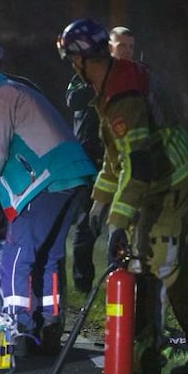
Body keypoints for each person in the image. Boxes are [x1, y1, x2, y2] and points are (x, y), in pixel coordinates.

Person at [57, 18, 188, 374]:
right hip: (166, 180)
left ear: (82, 59)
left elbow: (137, 168)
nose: (73, 67)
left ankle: (149, 363)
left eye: (72, 59)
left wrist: (118, 220)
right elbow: (115, 159)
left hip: (170, 184)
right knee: (180, 266)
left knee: (154, 267)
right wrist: (100, 200)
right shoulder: (115, 83)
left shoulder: (122, 95)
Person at [0, 57, 96, 355]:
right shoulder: (18, 91)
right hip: (70, 175)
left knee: (17, 254)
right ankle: (49, 324)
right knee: (50, 255)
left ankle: (17, 327)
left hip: (41, 182)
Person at [66, 26, 134, 296]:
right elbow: (72, 100)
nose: (127, 52)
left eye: (131, 47)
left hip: (122, 162)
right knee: (87, 225)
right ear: (109, 48)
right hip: (90, 160)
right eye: (122, 46)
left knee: (123, 226)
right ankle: (83, 286)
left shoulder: (135, 77)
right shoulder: (86, 75)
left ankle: (118, 282)